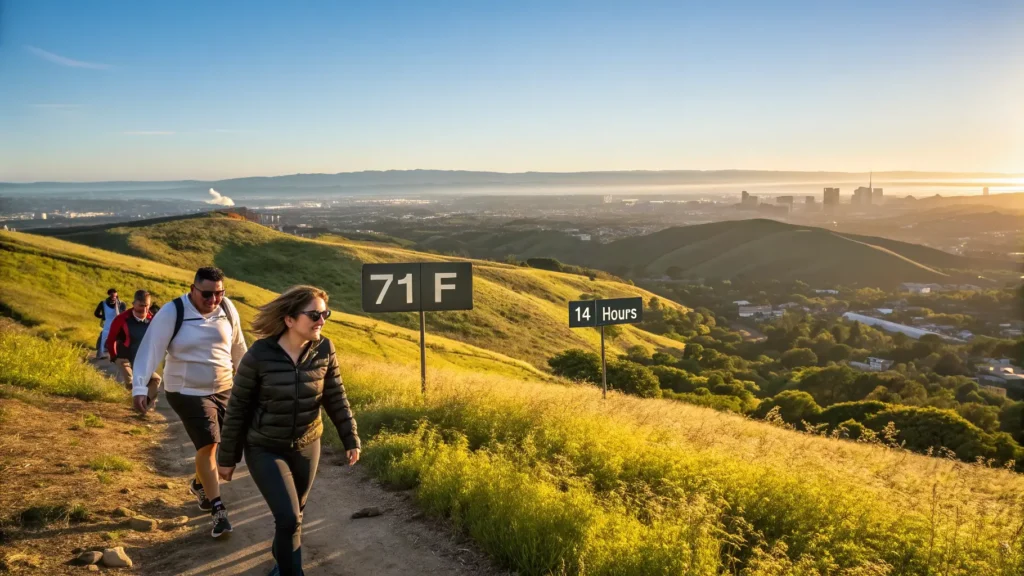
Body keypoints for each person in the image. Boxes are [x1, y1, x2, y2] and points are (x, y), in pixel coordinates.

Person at [217, 285, 360, 576]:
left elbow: (335, 397)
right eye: (314, 315)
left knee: (294, 517)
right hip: (265, 447)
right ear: (290, 320)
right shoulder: (259, 355)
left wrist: (350, 437)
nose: (322, 320)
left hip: (307, 445)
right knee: (288, 518)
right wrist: (227, 457)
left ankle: (281, 566)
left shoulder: (324, 349)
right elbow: (238, 409)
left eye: (325, 314)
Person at [131, 267, 248, 538]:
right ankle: (218, 510)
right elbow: (151, 349)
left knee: (230, 444)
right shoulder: (174, 312)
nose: (213, 300)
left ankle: (199, 483)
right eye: (207, 294)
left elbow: (238, 348)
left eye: (219, 293)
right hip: (186, 391)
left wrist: (248, 383)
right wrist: (140, 386)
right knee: (209, 444)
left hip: (224, 388)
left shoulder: (227, 309)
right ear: (193, 289)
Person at [104, 290, 162, 406]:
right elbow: (111, 340)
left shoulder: (153, 321)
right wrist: (115, 357)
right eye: (141, 306)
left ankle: (144, 405)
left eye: (147, 306)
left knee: (156, 380)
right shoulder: (121, 319)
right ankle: (134, 403)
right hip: (124, 358)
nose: (144, 310)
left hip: (141, 360)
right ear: (133, 304)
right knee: (132, 382)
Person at [94, 288, 126, 359]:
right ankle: (111, 354)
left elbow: (96, 314)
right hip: (114, 325)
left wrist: (103, 317)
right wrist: (104, 317)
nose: (113, 297)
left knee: (105, 339)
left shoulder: (104, 303)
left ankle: (104, 354)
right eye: (113, 295)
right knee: (113, 339)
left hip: (111, 325)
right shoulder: (121, 304)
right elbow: (124, 315)